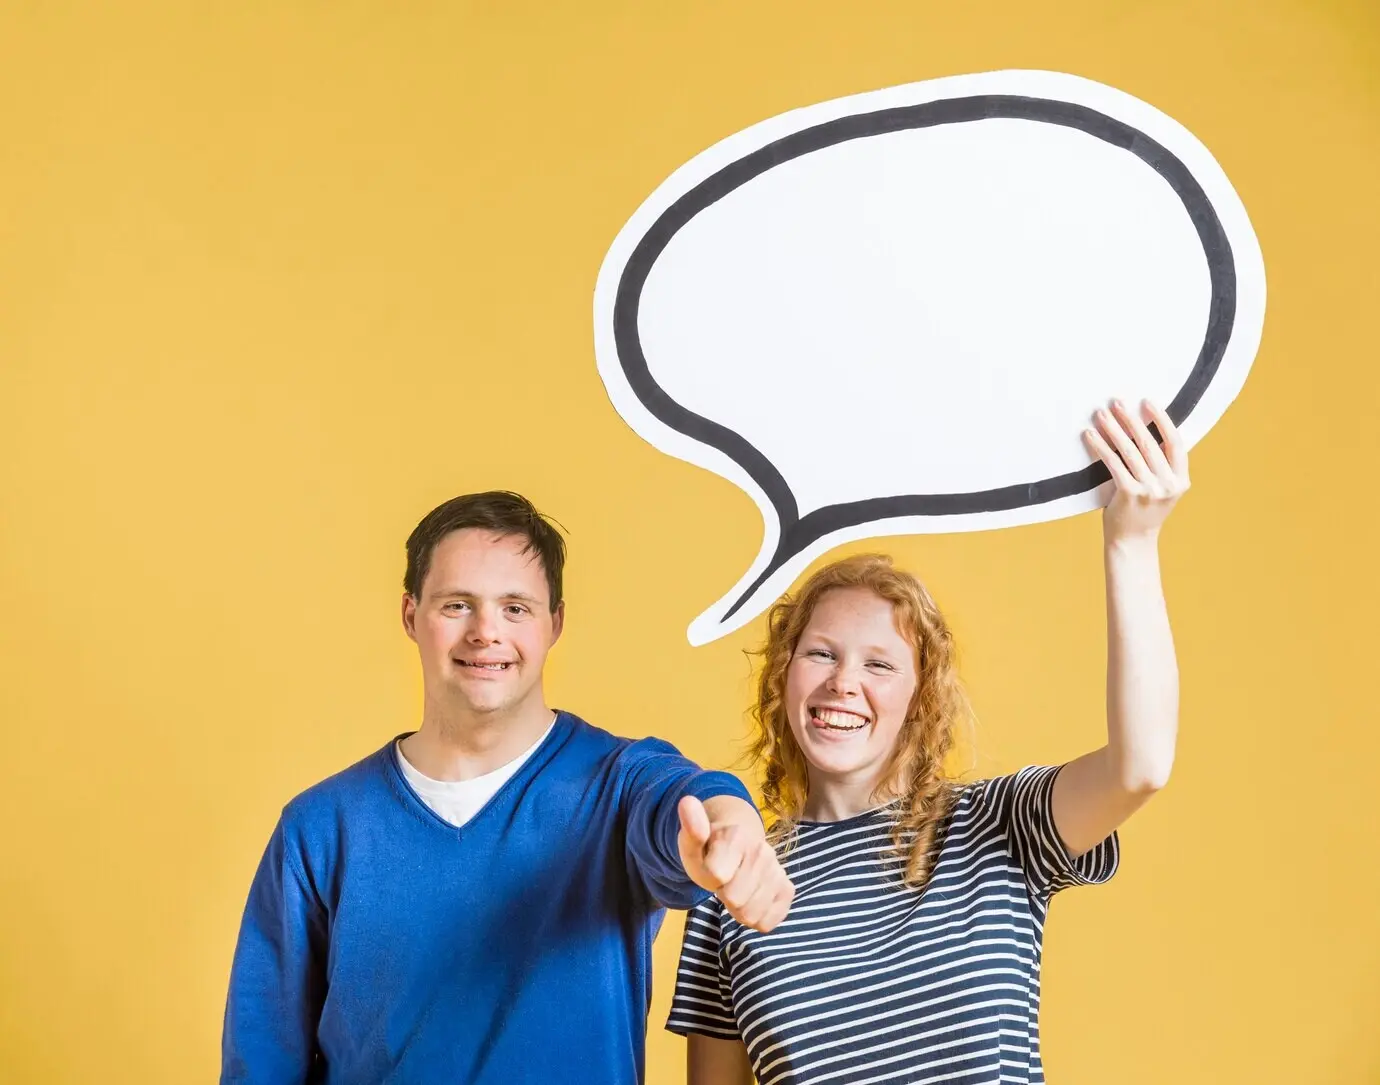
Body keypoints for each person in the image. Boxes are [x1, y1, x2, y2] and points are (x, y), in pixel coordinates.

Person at [667, 399, 1189, 1085]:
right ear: (784, 675)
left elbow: (1140, 767)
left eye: (879, 664)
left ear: (921, 698)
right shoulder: (729, 886)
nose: (843, 683)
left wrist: (1131, 542)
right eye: (821, 654)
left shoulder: (998, 826)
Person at [221, 491, 794, 1085]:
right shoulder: (319, 830)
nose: (485, 632)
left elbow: (686, 799)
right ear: (410, 614)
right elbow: (262, 1062)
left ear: (556, 623)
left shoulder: (616, 787)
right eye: (457, 605)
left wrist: (733, 825)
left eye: (516, 608)